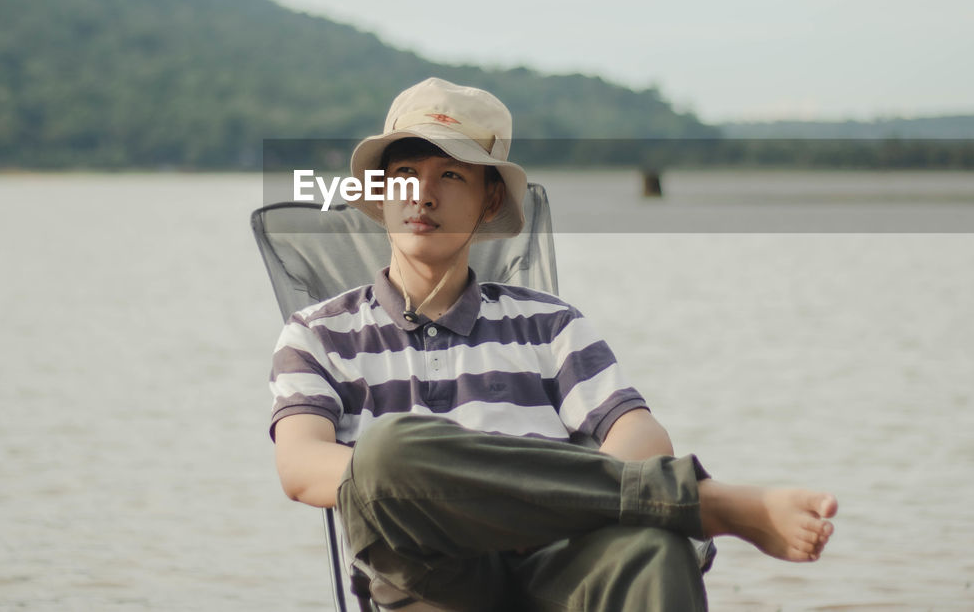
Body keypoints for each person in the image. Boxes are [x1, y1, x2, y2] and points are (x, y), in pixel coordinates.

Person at [269, 77, 837, 611]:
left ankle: (674, 506)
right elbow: (300, 467)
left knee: (652, 550)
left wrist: (537, 513)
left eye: (452, 175)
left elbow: (640, 435)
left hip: (556, 564)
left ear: (490, 202)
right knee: (387, 454)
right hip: (430, 580)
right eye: (406, 172)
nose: (422, 193)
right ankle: (701, 502)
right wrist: (485, 506)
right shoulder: (317, 333)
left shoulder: (548, 323)